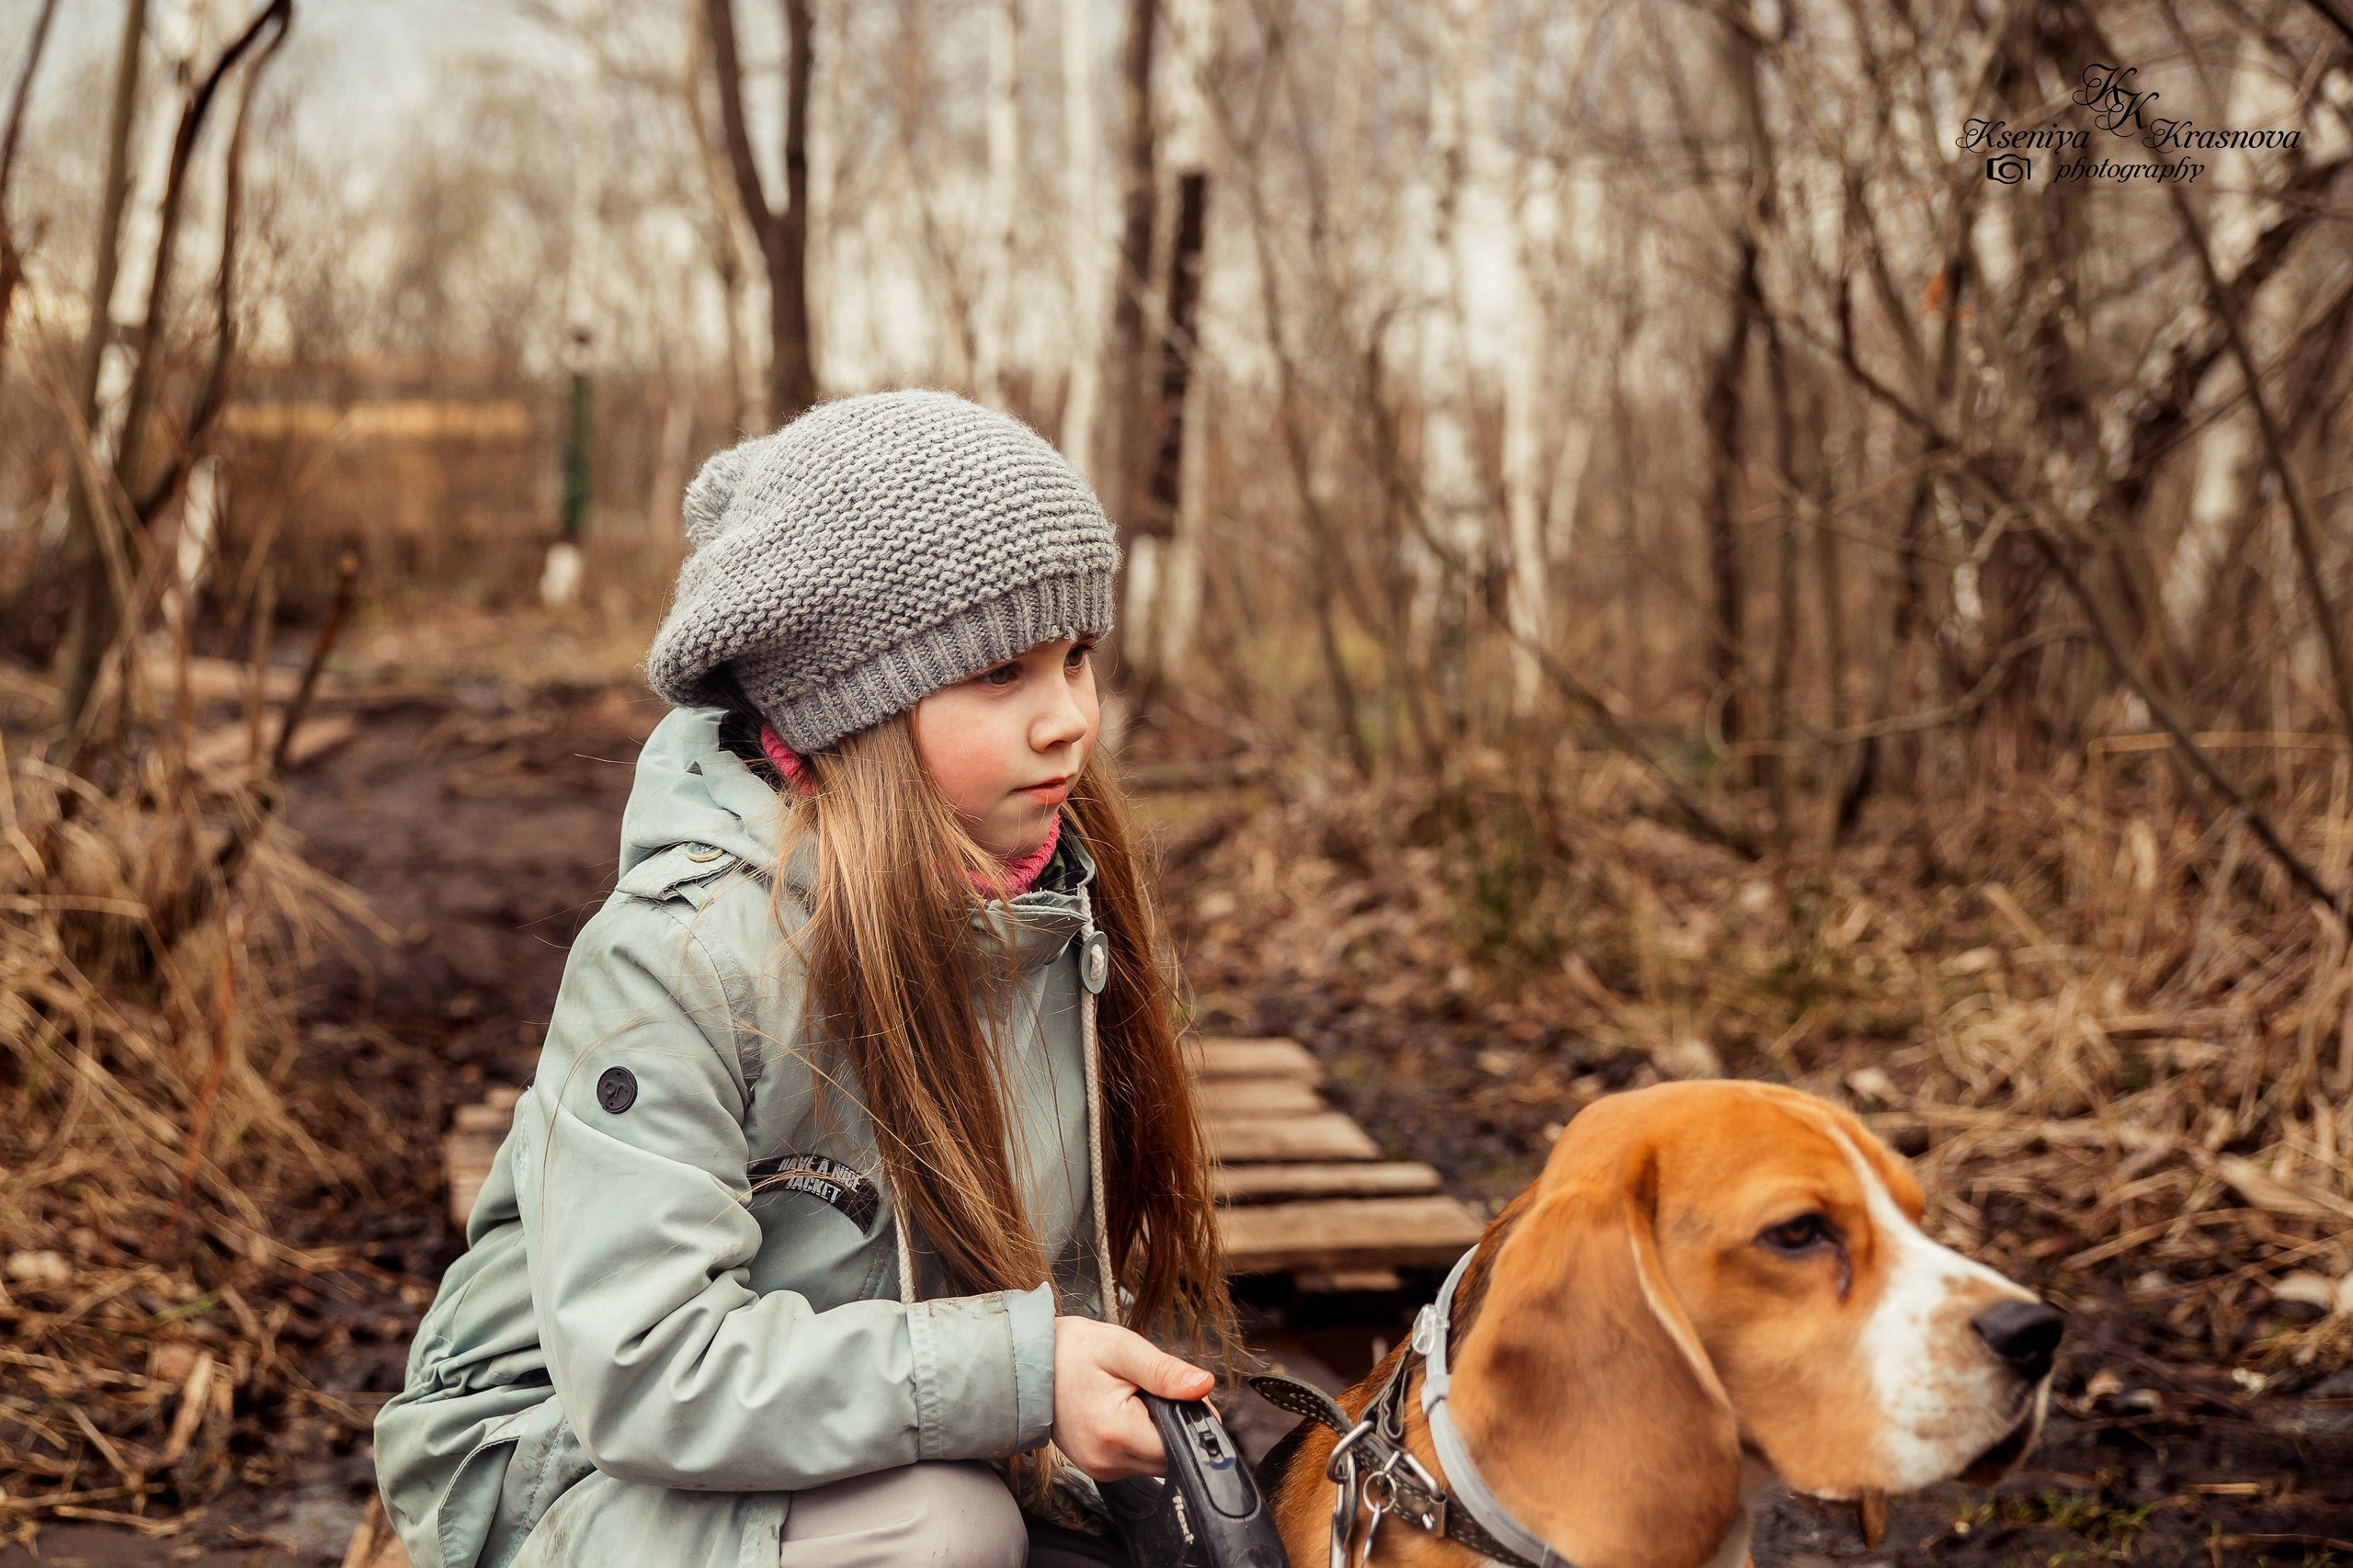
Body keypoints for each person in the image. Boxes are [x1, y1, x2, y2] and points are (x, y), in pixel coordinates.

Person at [374, 391, 1234, 1568]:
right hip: (562, 1463)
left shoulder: (1044, 910)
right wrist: (1021, 1374)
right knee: (944, 1529)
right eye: (1000, 673)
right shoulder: (679, 958)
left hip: (856, 1442)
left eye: (1077, 659)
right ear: (852, 706)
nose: (1068, 720)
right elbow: (643, 1368)